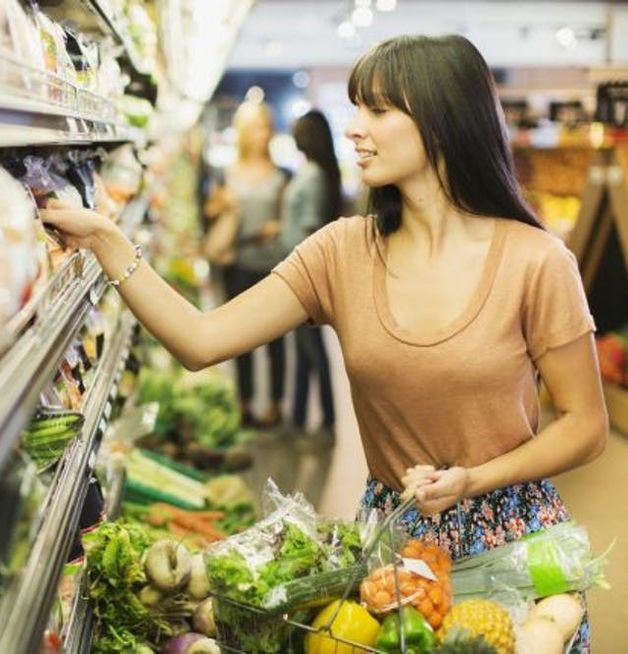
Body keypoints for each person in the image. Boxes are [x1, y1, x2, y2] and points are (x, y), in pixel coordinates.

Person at [42, 35, 607, 650]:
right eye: (355, 109)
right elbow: (200, 341)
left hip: (518, 557)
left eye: (378, 110)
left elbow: (584, 424)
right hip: (395, 553)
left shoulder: (537, 261)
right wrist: (106, 240)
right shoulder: (341, 252)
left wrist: (474, 478)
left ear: (444, 120)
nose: (355, 129)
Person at [204, 100, 290, 428]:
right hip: (238, 263)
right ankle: (245, 402)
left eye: (266, 127)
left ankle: (277, 405)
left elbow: (290, 218)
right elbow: (209, 212)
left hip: (276, 267)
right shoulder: (227, 174)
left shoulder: (282, 176)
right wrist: (221, 206)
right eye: (255, 127)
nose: (261, 134)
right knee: (240, 339)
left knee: (277, 340)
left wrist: (279, 226)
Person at [281, 110, 340, 442]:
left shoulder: (314, 175)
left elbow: (309, 226)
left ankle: (328, 423)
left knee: (313, 352)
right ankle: (299, 417)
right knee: (303, 353)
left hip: (304, 277)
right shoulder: (311, 172)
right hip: (297, 272)